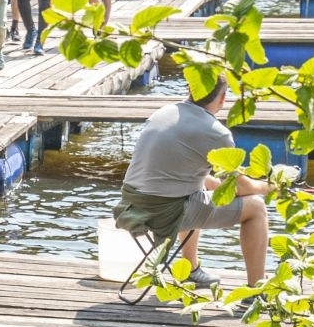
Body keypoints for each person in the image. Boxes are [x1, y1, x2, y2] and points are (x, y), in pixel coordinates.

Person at [115, 81, 273, 289]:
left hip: (130, 206)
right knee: (256, 207)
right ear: (223, 97)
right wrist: (269, 187)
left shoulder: (163, 113)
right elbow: (238, 189)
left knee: (198, 188)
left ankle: (190, 269)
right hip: (165, 215)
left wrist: (220, 186)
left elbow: (178, 176)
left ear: (190, 89)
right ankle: (256, 289)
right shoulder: (216, 133)